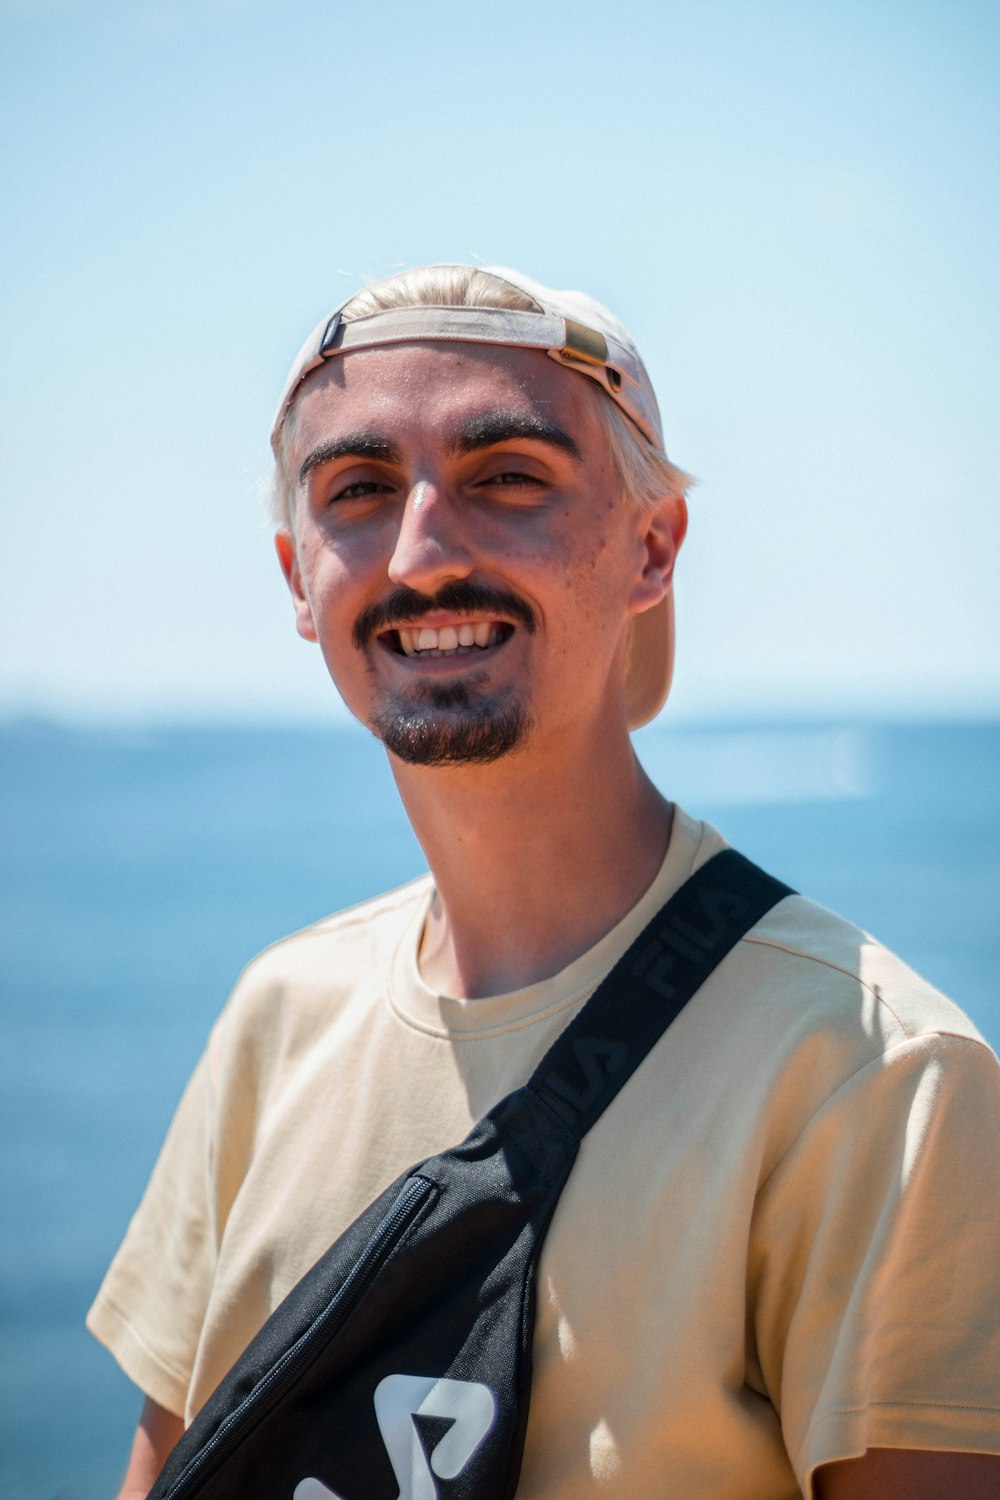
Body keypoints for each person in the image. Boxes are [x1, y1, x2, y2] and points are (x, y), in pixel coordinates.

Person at [89, 265, 1000, 1500]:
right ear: (297, 578)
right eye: (356, 490)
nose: (419, 554)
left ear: (651, 546)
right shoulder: (280, 1017)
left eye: (505, 477)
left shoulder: (874, 1078)